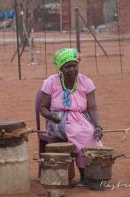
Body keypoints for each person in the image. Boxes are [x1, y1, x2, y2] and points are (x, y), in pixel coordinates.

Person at [39, 48, 103, 186]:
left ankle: (93, 172)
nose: (72, 69)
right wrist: (51, 115)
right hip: (58, 120)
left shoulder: (86, 81)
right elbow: (42, 107)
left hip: (82, 118)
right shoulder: (51, 81)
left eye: (75, 65)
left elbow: (92, 108)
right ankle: (85, 175)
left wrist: (98, 126)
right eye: (68, 66)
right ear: (60, 68)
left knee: (92, 133)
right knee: (78, 132)